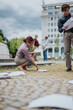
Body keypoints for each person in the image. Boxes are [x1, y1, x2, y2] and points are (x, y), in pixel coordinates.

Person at [58, 4, 73, 71]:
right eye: (65, 11)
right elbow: (59, 30)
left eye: (67, 10)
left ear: (69, 9)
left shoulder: (72, 16)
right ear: (63, 11)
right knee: (67, 51)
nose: (66, 12)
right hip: (66, 34)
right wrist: (62, 28)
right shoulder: (61, 19)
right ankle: (68, 67)